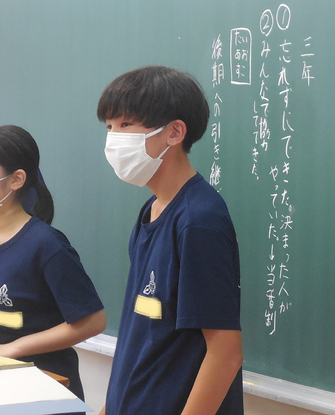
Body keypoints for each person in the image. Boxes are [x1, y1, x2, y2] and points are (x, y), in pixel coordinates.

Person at [97, 66, 244, 415]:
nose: (114, 139)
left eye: (126, 125)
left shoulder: (198, 220)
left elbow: (225, 353)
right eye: (109, 127)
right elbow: (144, 333)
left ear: (174, 132)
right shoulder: (152, 209)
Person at [0, 125, 106, 407]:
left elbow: (93, 321)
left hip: (44, 390)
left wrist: (11, 348)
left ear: (16, 179)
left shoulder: (46, 244)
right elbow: (9, 314)